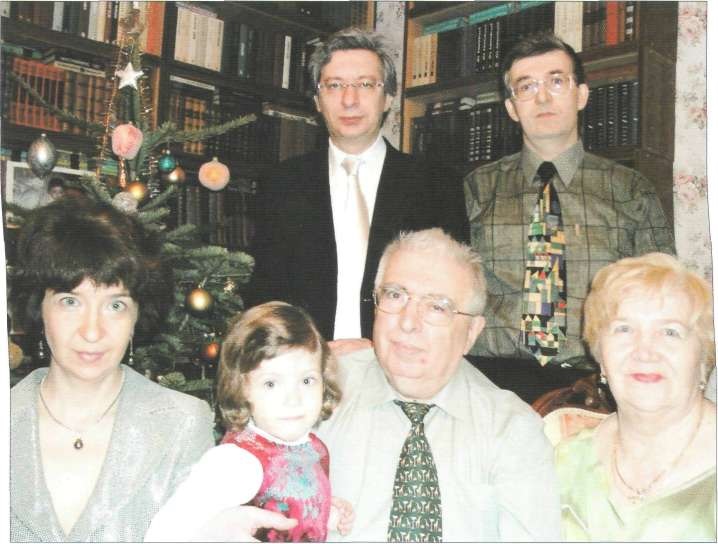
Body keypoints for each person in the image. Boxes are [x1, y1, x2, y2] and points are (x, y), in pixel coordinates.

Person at [9, 197, 293, 542]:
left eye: (115, 305)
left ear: (137, 315)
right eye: (70, 302)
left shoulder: (181, 423)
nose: (92, 331)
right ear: (38, 307)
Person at [317, 228, 561, 541]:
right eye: (395, 295)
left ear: (471, 332)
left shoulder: (510, 428)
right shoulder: (316, 390)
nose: (408, 322)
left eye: (437, 307)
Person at [247, 28, 469, 355]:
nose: (349, 100)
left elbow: (451, 291)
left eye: (365, 85)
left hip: (402, 361)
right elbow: (266, 291)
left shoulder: (436, 184)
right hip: (304, 364)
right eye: (334, 85)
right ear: (317, 101)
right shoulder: (280, 184)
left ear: (388, 97)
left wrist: (380, 348)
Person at [464, 32, 675, 369]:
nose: (542, 97)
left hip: (594, 377)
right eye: (526, 87)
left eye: (557, 81)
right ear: (512, 108)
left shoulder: (632, 190)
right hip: (493, 376)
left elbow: (664, 298)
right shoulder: (475, 189)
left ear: (581, 95)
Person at [146, 302, 354, 542]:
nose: (294, 399)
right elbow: (162, 534)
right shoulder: (238, 460)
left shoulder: (313, 449)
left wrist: (325, 512)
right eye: (271, 384)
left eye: (307, 381)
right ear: (242, 388)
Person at [555, 252, 716, 540]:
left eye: (670, 332)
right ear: (600, 356)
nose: (644, 351)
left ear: (703, 359)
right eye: (624, 329)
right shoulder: (564, 460)